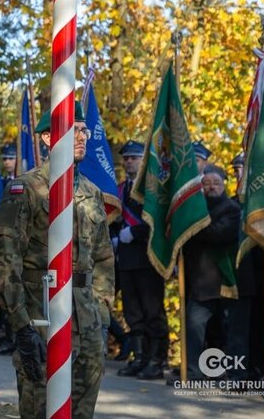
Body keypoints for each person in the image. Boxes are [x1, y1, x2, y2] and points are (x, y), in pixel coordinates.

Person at [0, 101, 114, 419]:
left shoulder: (90, 191)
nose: (81, 137)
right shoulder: (26, 189)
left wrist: (102, 319)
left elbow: (103, 259)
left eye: (84, 130)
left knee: (81, 411)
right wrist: (20, 326)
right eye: (72, 130)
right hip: (41, 317)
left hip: (86, 320)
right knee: (41, 409)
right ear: (47, 138)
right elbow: (6, 260)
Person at [114, 139, 169, 380]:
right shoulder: (120, 188)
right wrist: (115, 238)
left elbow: (158, 220)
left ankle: (156, 361)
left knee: (152, 311)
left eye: (134, 158)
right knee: (132, 311)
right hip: (126, 259)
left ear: (143, 161)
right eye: (126, 158)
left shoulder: (151, 189)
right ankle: (140, 358)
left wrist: (134, 233)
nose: (129, 162)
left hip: (148, 258)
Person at [181, 164, 240, 380]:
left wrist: (193, 225)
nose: (212, 187)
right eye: (206, 184)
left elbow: (220, 234)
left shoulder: (231, 209)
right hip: (199, 282)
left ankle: (219, 371)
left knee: (222, 331)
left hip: (224, 281)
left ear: (224, 185)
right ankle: (194, 373)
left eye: (216, 183)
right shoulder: (195, 208)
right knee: (195, 328)